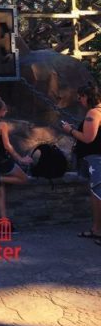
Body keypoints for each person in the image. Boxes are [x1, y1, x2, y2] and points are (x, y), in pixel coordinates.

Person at [60, 83, 101, 245]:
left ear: (87, 97)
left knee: (98, 196)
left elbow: (88, 138)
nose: (79, 100)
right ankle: (96, 229)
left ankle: (98, 230)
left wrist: (69, 130)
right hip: (95, 159)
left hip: (97, 160)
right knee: (96, 195)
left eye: (81, 96)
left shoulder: (93, 113)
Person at [0, 95, 31, 223]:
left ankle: (4, 221)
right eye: (4, 109)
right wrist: (20, 159)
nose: (6, 111)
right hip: (2, 162)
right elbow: (7, 146)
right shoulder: (2, 124)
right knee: (24, 178)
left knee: (0, 190)